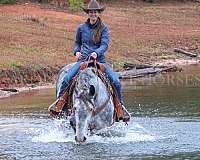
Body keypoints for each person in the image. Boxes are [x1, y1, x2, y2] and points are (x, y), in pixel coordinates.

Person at [55, 0, 130, 121]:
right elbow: (77, 43)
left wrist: (97, 52)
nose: (93, 14)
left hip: (100, 61)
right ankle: (59, 104)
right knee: (67, 78)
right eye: (91, 12)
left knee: (116, 81)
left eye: (95, 12)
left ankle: (120, 107)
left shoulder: (104, 28)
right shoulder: (81, 28)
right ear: (88, 13)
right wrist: (76, 51)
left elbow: (104, 45)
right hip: (83, 60)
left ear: (98, 13)